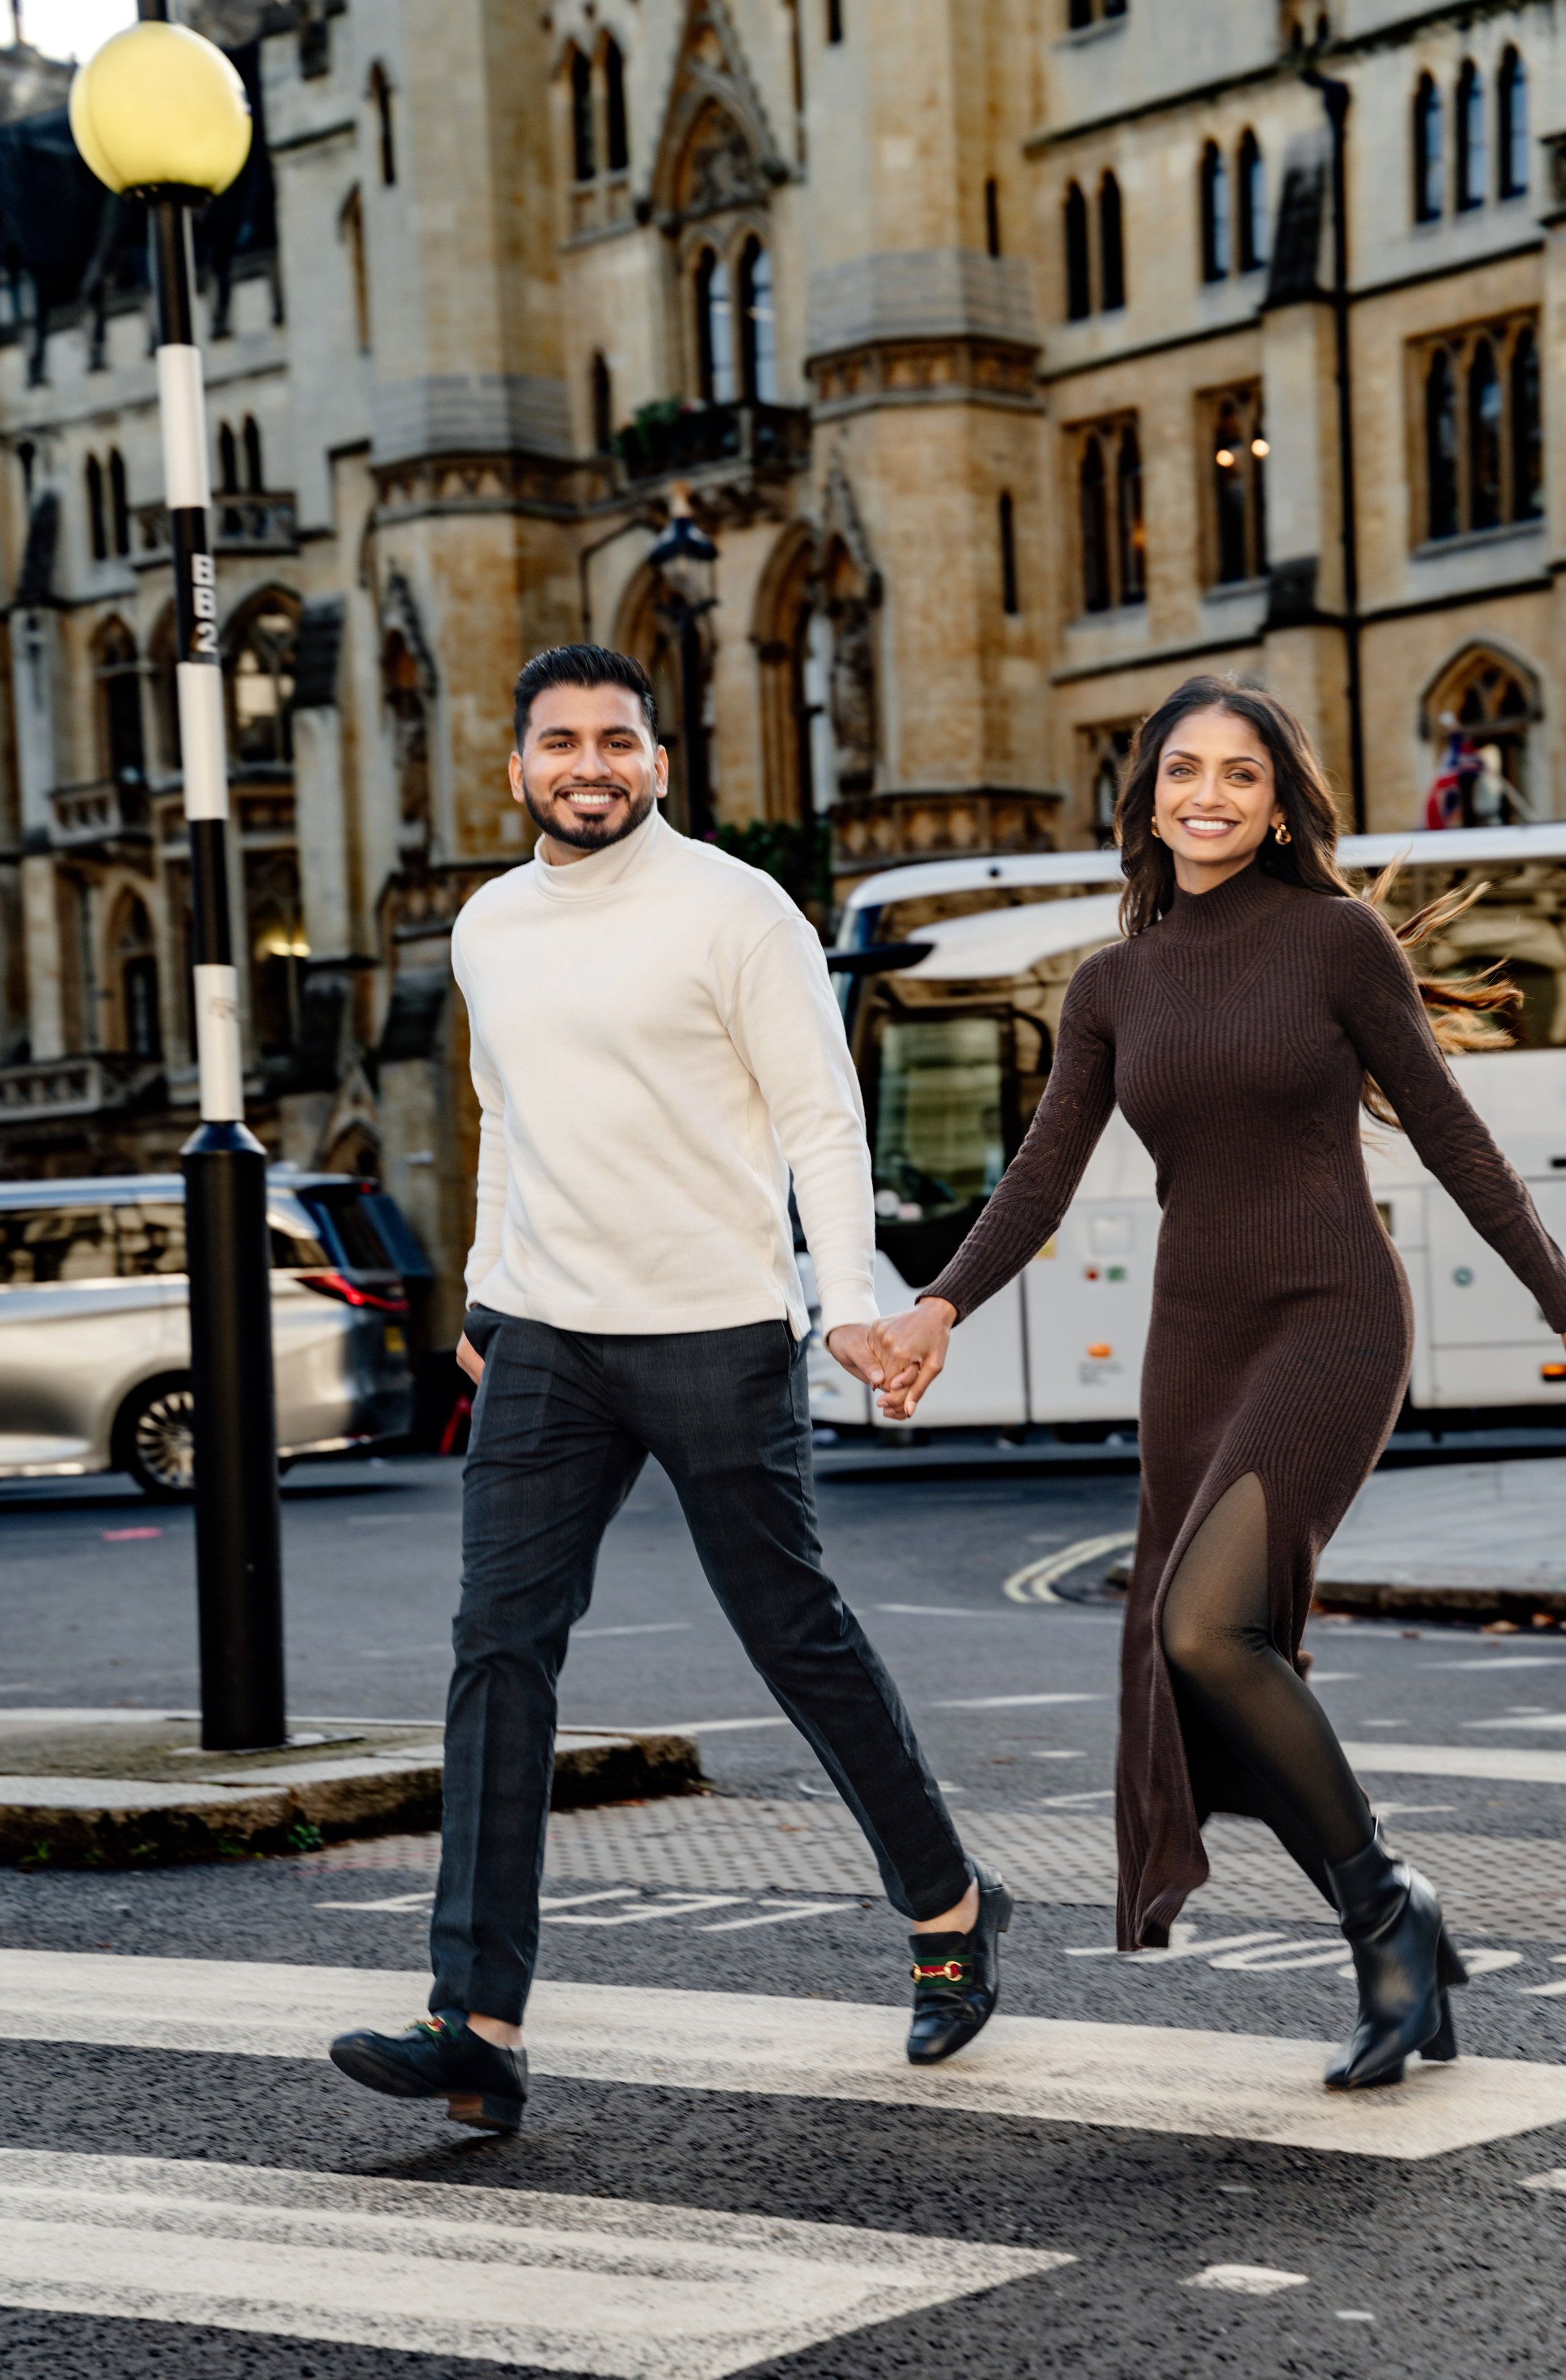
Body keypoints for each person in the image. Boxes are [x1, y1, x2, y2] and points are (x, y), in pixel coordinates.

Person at [330, 643, 1007, 2133]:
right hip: (546, 1339)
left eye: (617, 740)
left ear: (654, 760)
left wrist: (844, 1300)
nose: (590, 763)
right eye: (561, 741)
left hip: (714, 1325)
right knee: (496, 1655)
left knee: (794, 1636)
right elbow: (502, 1118)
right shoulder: (490, 924)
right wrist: (487, 1295)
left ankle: (949, 1906)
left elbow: (819, 1119)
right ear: (514, 767)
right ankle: (476, 2021)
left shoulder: (731, 906)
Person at [870, 675, 1566, 2091]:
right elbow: (1041, 1174)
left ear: (1275, 800)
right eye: (1181, 770)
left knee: (1202, 1627)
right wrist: (938, 1302)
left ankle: (1382, 1918)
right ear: (1143, 800)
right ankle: (1397, 1914)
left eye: (1239, 774)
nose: (1207, 794)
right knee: (1206, 1648)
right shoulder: (1111, 984)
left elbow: (1452, 1137)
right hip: (1191, 1341)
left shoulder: (1334, 939)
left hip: (1331, 1315)